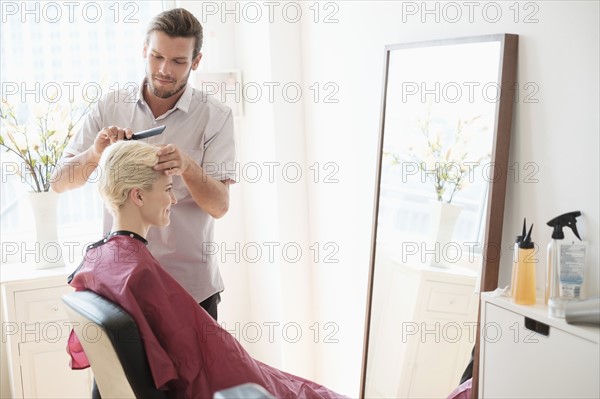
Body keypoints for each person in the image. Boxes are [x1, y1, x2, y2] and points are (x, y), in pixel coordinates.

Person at [67, 140, 346, 399]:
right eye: (167, 190)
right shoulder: (139, 273)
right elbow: (199, 363)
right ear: (138, 196)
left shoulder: (99, 259)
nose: (174, 201)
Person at [51, 8, 234, 320]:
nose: (164, 69)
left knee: (193, 371)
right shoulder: (110, 106)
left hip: (190, 290)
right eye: (156, 56)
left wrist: (187, 167)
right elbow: (59, 182)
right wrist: (95, 153)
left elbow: (219, 206)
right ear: (144, 51)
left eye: (178, 61)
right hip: (120, 285)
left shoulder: (215, 116)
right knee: (113, 370)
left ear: (196, 62)